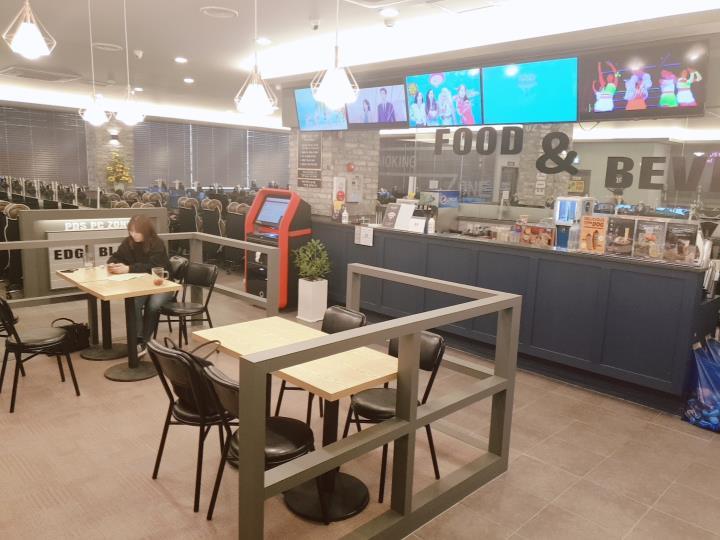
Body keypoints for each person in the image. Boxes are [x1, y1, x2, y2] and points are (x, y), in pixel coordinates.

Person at [107, 215, 172, 356]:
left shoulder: (157, 244)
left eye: (137, 231)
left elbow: (154, 267)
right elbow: (117, 256)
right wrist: (112, 263)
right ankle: (138, 339)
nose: (133, 234)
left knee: (153, 305)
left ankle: (144, 341)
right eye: (131, 231)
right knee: (134, 303)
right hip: (141, 284)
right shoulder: (128, 242)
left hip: (162, 284)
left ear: (146, 231)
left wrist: (129, 268)